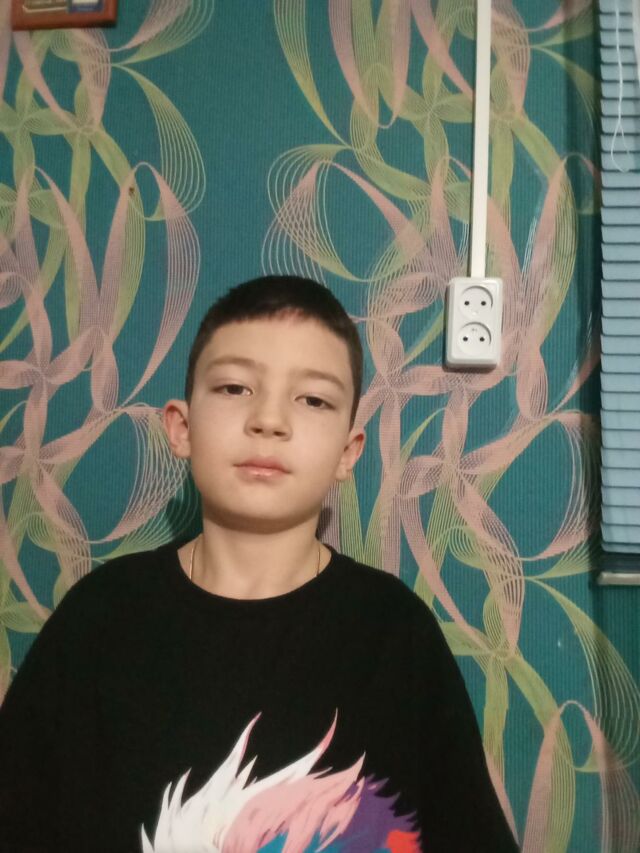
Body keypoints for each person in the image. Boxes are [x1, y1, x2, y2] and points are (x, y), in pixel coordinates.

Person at [0, 276, 519, 852]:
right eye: (234, 387)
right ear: (181, 428)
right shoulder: (99, 619)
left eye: (313, 399)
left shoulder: (396, 634)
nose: (269, 419)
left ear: (348, 452)